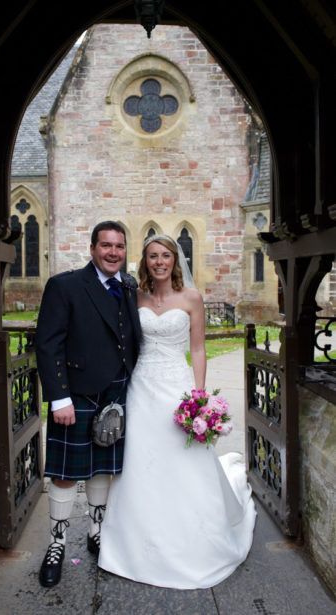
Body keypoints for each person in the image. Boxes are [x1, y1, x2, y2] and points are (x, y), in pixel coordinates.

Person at [99, 234, 256, 589]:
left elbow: (197, 349)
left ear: (175, 259)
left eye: (165, 255)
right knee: (141, 460)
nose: (159, 262)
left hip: (176, 388)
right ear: (145, 261)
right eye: (153, 256)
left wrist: (199, 396)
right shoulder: (134, 297)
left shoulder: (191, 298)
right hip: (142, 388)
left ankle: (194, 538)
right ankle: (134, 542)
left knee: (184, 458)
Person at [35, 220, 141, 588]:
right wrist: (59, 397)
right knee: (65, 473)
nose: (113, 252)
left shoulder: (129, 286)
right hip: (77, 394)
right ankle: (57, 543)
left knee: (102, 470)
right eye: (106, 245)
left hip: (117, 392)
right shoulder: (65, 285)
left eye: (119, 246)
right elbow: (48, 343)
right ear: (92, 248)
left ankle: (96, 532)